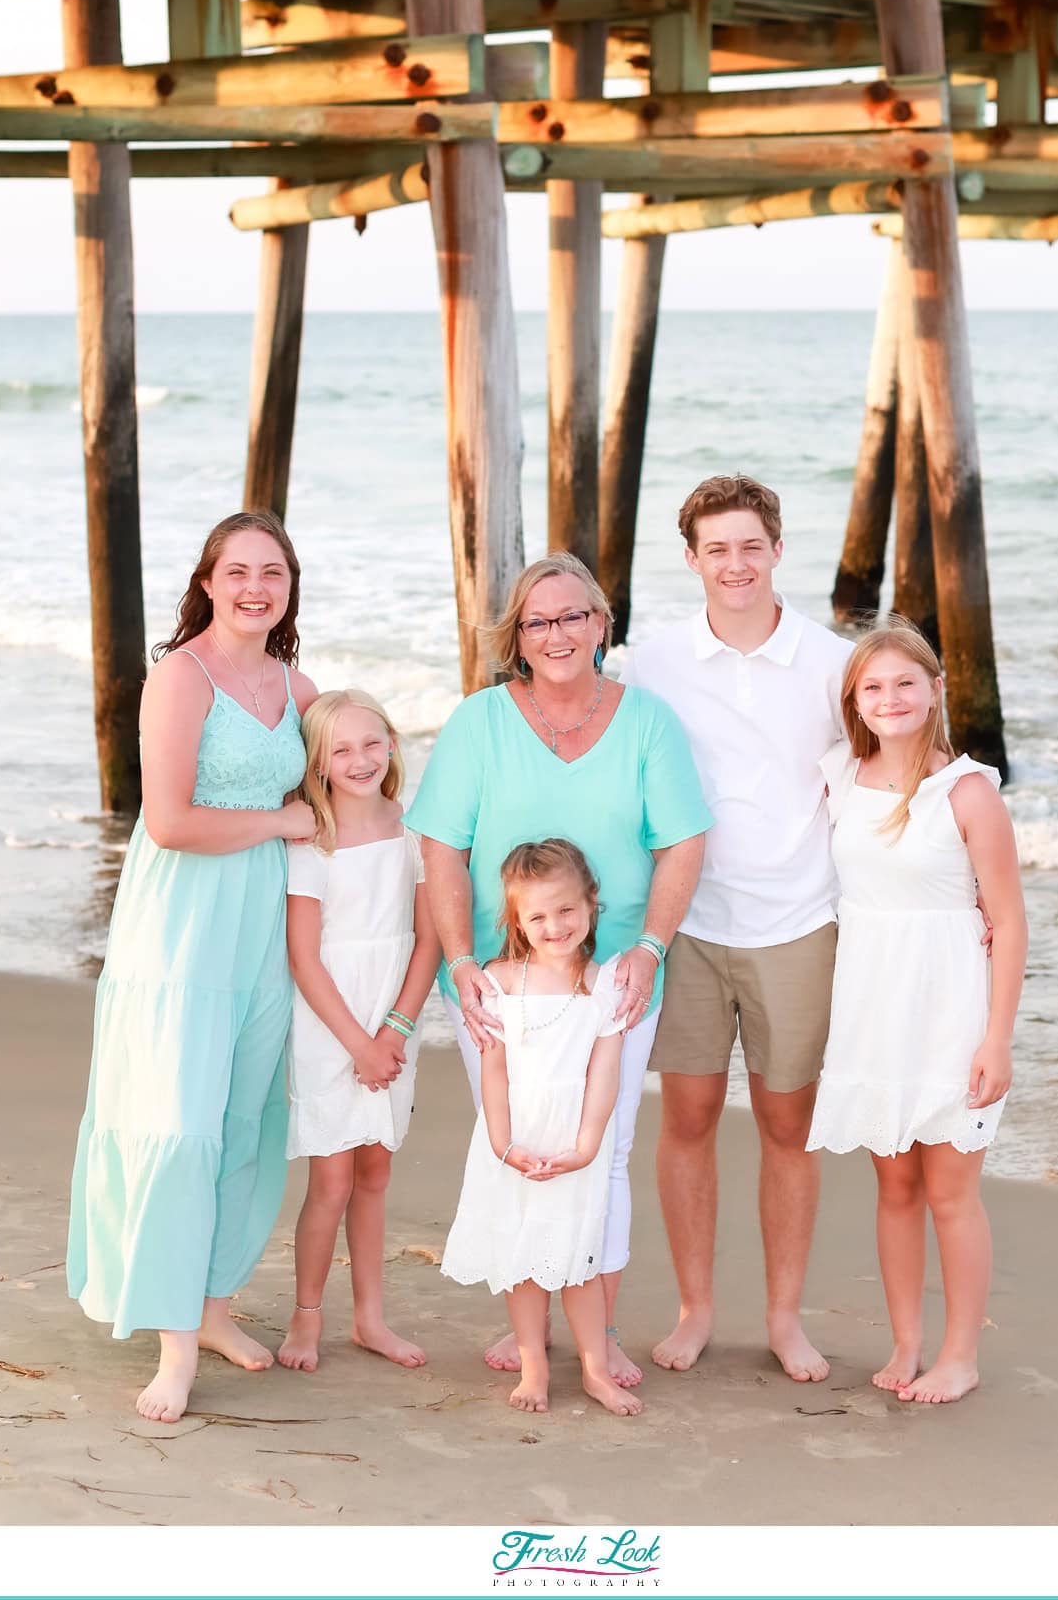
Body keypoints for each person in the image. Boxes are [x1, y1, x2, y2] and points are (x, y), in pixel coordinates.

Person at [407, 552, 710, 1387]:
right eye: (539, 621)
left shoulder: (646, 721)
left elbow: (683, 841)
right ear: (518, 637)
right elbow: (440, 847)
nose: (558, 634)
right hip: (498, 983)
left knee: (603, 1153)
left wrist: (649, 948)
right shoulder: (479, 722)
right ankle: (534, 1331)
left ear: (602, 623)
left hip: (616, 980)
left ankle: (598, 1330)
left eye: (574, 616)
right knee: (522, 1147)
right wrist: (461, 960)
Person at [66, 511, 318, 1425]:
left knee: (243, 1119)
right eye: (239, 570)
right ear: (208, 582)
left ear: (291, 588)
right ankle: (174, 1343)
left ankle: (213, 1309)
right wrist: (281, 823)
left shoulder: (299, 686)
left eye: (274, 573)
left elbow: (340, 799)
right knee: (178, 1120)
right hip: (180, 922)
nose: (257, 586)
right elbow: (168, 820)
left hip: (263, 924)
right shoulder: (181, 676)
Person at [622, 474, 851, 1381]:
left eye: (750, 545)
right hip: (684, 926)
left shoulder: (833, 664)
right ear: (691, 560)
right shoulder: (655, 661)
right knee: (688, 1117)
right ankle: (695, 1309)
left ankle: (786, 1317)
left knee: (787, 1126)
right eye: (717, 549)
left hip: (799, 922)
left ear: (778, 550)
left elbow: (888, 784)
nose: (735, 563)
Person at [807, 620, 1027, 1405]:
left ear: (936, 689)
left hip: (950, 1008)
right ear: (854, 701)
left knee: (949, 1192)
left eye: (906, 683)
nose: (890, 699)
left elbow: (1009, 921)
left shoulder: (966, 791)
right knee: (893, 1188)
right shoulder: (838, 774)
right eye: (873, 687)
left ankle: (960, 1354)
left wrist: (996, 1040)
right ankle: (906, 1342)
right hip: (872, 1005)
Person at [441, 840, 640, 1417]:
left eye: (566, 910)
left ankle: (597, 1370)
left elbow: (606, 1077)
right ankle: (533, 1367)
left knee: (578, 1260)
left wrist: (586, 1146)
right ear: (516, 921)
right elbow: (494, 1075)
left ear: (591, 904)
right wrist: (503, 1146)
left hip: (575, 1144)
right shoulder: (499, 983)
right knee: (524, 1262)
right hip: (516, 1141)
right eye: (537, 916)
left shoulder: (606, 986)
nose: (554, 926)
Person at [278, 690, 440, 1376]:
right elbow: (304, 958)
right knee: (334, 1179)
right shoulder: (311, 841)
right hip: (331, 1025)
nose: (360, 759)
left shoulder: (415, 828)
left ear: (394, 744)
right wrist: (361, 1044)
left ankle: (371, 1318)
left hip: (393, 1019)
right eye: (340, 749)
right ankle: (306, 1315)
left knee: (376, 1171)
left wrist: (396, 1028)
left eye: (372, 743)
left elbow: (429, 938)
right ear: (317, 763)